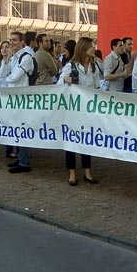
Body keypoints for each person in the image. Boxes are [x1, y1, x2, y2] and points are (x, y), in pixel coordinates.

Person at [57, 37, 100, 186]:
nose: (93, 48)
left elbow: (97, 87)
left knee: (87, 139)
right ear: (83, 48)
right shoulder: (71, 66)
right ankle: (72, 172)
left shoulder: (94, 67)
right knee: (72, 141)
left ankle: (87, 171)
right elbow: (58, 83)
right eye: (90, 46)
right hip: (73, 110)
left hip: (88, 110)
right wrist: (65, 80)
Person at [6, 31, 33, 173]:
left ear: (22, 41)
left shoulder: (26, 58)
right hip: (14, 99)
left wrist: (8, 77)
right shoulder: (14, 58)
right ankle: (20, 158)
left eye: (15, 40)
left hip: (23, 99)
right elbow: (3, 72)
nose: (12, 43)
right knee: (16, 129)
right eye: (10, 40)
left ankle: (24, 162)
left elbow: (14, 77)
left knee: (22, 130)